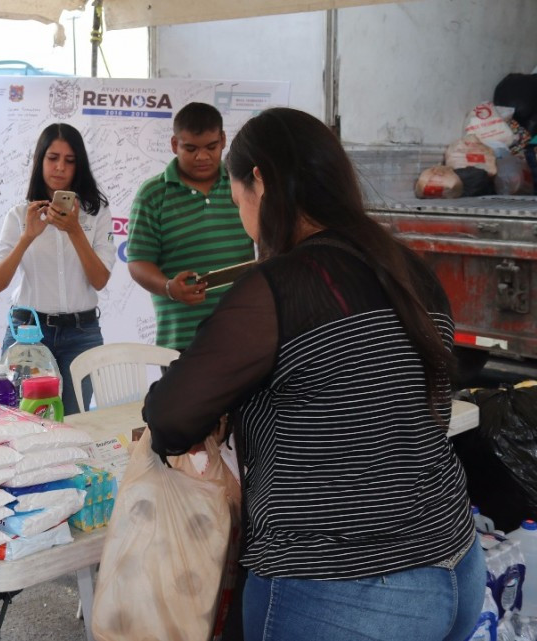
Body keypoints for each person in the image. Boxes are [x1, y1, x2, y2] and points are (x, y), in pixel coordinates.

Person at [142, 108, 483, 641]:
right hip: (455, 560)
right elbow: (418, 406)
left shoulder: (282, 285)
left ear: (259, 181)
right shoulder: (406, 266)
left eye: (237, 201)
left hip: (345, 587)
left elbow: (171, 415)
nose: (241, 217)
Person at [0, 123, 114, 415]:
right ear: (40, 160)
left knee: (73, 423)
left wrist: (75, 231)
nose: (60, 167)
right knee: (20, 422)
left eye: (69, 161)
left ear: (79, 166)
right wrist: (27, 236)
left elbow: (100, 279)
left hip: (81, 333)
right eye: (52, 158)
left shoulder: (96, 214)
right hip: (27, 332)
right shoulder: (20, 215)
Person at [126, 102, 255, 351]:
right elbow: (138, 262)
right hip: (182, 341)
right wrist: (169, 288)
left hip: (243, 333)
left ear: (223, 140)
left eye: (211, 147)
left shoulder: (242, 184)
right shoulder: (153, 194)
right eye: (191, 148)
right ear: (175, 145)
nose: (202, 156)